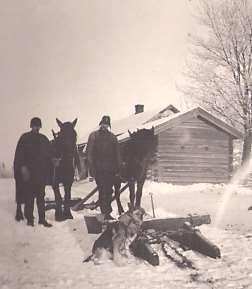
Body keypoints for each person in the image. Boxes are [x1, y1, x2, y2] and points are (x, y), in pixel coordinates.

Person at [14, 117, 52, 227]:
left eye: (38, 126)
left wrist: (54, 160)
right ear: (31, 126)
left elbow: (49, 154)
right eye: (35, 125)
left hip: (40, 174)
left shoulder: (44, 139)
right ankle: (30, 219)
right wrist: (22, 168)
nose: (36, 128)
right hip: (29, 174)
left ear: (40, 127)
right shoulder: (25, 138)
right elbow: (19, 155)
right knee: (29, 197)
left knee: (41, 197)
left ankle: (42, 219)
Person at [87, 115, 121, 220]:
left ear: (109, 126)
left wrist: (119, 168)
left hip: (110, 169)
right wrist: (91, 168)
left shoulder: (113, 137)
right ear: (100, 124)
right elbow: (89, 152)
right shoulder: (94, 136)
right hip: (99, 169)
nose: (104, 127)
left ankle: (107, 212)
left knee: (109, 191)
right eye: (103, 124)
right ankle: (104, 212)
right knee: (102, 190)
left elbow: (117, 154)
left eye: (106, 125)